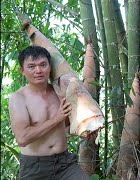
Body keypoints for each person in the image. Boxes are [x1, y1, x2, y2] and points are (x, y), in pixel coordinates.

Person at [9, 46, 90, 180]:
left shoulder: (60, 91)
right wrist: (56, 119)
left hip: (65, 164)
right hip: (35, 166)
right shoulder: (18, 98)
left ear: (50, 67)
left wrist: (86, 129)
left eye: (43, 65)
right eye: (31, 66)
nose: (38, 70)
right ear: (21, 71)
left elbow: (68, 126)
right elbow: (22, 138)